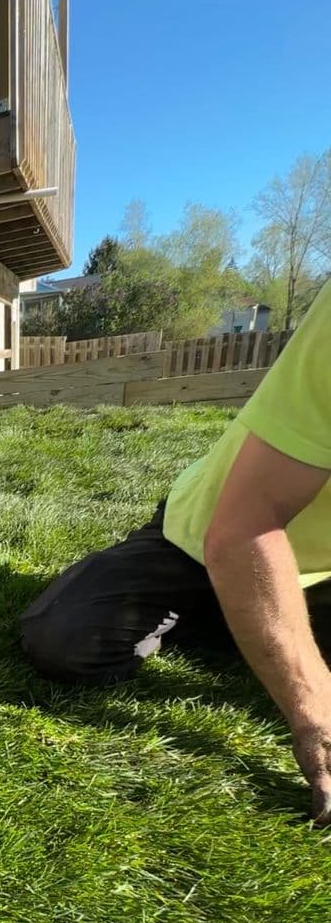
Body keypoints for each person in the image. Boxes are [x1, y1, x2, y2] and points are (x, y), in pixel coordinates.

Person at [20, 280, 331, 821]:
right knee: (62, 637)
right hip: (203, 535)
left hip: (321, 574)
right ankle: (226, 609)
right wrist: (314, 711)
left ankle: (247, 620)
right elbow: (246, 524)